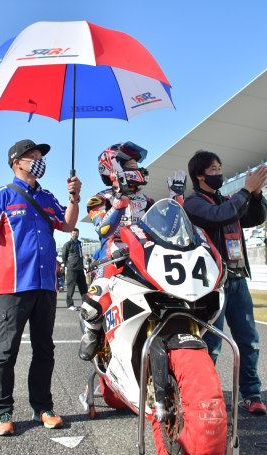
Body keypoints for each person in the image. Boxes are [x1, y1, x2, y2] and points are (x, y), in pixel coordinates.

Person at [0, 139, 82, 435]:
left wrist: (74, 197)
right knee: (6, 350)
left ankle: (42, 407)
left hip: (46, 285)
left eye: (40, 156)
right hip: (13, 286)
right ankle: (1, 411)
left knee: (44, 349)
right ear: (17, 162)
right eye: (32, 156)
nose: (38, 160)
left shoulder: (48, 196)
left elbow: (66, 223)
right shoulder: (2, 195)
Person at [78, 142, 186, 360]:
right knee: (95, 304)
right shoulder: (99, 199)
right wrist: (119, 200)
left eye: (138, 164)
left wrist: (176, 198)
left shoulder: (147, 201)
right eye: (132, 164)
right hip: (112, 260)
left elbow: (169, 230)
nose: (139, 169)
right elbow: (104, 229)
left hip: (146, 259)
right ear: (114, 168)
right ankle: (90, 333)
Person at [183, 150, 267, 415]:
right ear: (200, 175)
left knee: (249, 341)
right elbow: (219, 216)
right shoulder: (193, 203)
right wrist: (246, 191)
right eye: (213, 168)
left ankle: (251, 394)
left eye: (220, 167)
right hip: (211, 284)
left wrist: (255, 196)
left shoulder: (229, 200)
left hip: (237, 279)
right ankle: (203, 397)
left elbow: (256, 218)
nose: (219, 172)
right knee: (212, 344)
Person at [62, 229, 86, 310]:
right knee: (71, 287)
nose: (75, 235)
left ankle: (85, 303)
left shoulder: (79, 244)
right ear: (70, 234)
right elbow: (64, 257)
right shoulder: (68, 244)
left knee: (83, 287)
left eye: (76, 233)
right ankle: (70, 304)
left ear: (78, 234)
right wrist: (68, 265)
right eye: (73, 233)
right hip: (71, 269)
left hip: (80, 268)